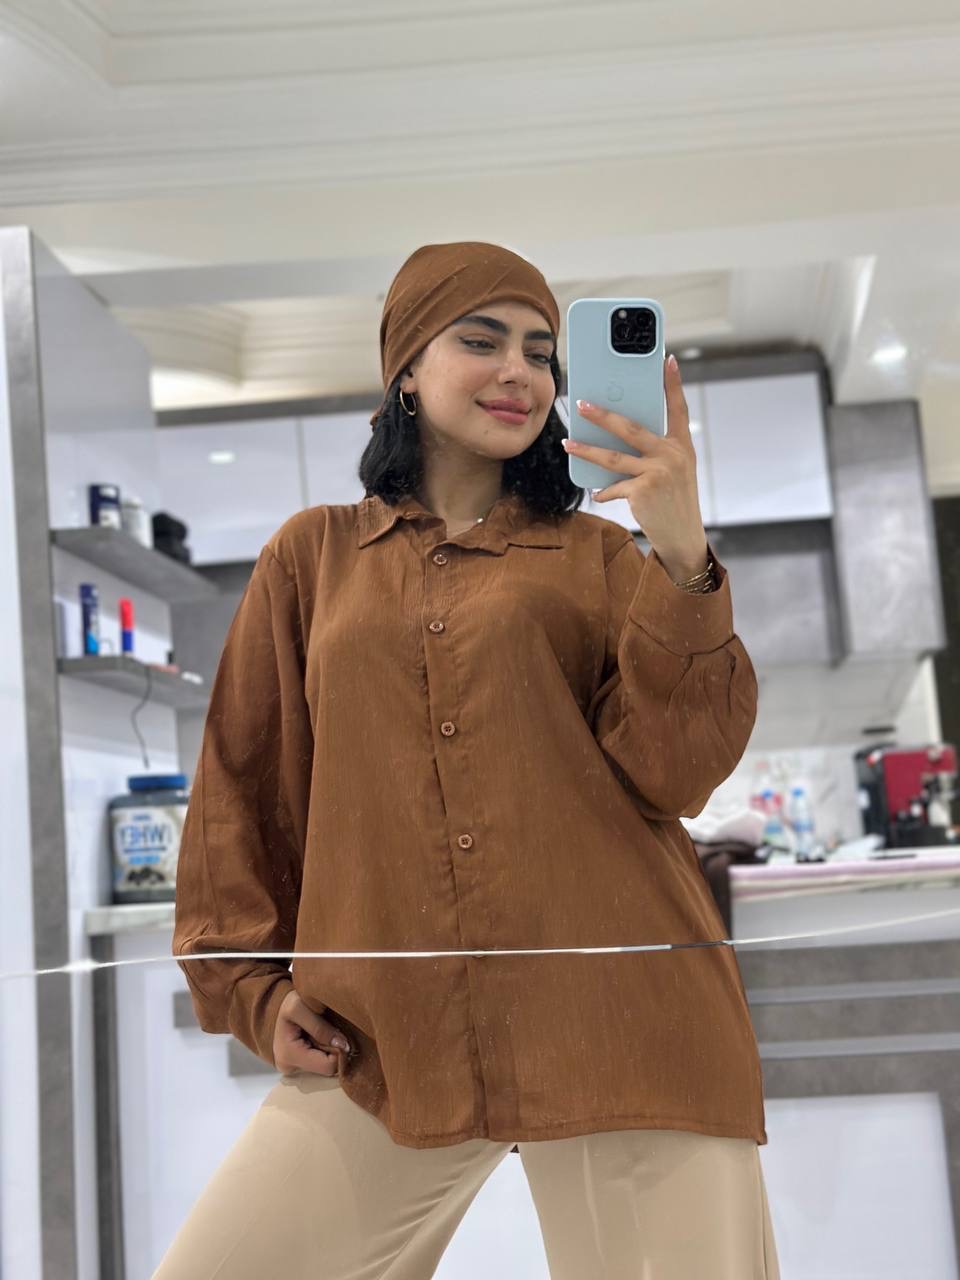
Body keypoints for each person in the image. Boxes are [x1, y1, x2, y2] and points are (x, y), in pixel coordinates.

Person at [154, 241, 780, 1278]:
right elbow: (243, 786)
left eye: (540, 350)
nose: (519, 371)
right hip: (387, 1036)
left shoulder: (602, 559)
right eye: (482, 341)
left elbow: (680, 771)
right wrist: (252, 988)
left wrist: (680, 556)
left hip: (627, 1025)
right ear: (405, 367)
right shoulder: (312, 557)